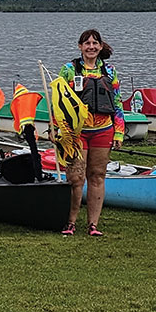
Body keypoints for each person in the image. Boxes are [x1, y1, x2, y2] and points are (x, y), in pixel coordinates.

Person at [58, 29, 124, 237]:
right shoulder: (69, 70)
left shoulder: (110, 71)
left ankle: (93, 225)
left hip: (103, 131)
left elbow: (118, 102)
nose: (91, 47)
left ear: (101, 46)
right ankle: (70, 222)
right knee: (76, 178)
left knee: (97, 176)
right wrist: (58, 130)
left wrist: (119, 132)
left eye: (95, 43)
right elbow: (58, 102)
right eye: (87, 43)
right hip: (76, 133)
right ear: (80, 46)